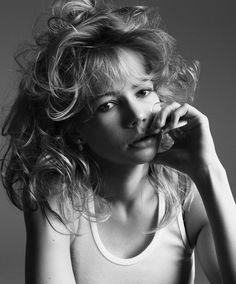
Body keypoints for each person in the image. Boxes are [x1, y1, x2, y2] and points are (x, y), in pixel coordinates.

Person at [1, 0, 236, 283]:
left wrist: (210, 171)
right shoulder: (60, 203)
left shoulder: (185, 194)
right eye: (107, 105)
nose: (136, 115)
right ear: (74, 128)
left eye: (143, 92)